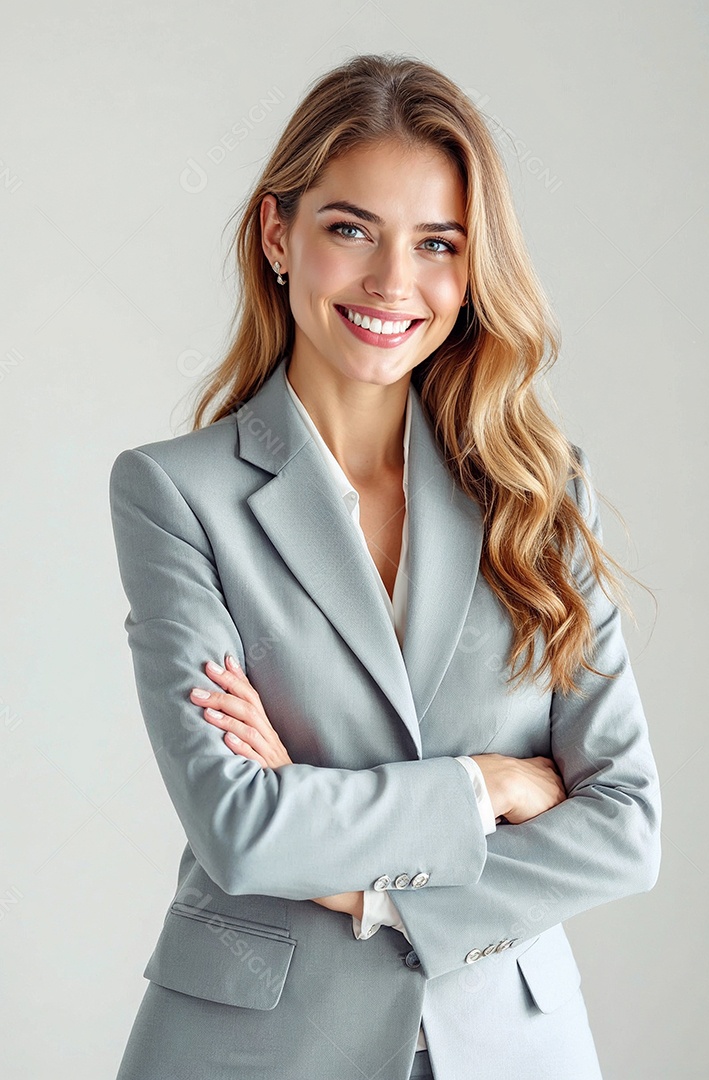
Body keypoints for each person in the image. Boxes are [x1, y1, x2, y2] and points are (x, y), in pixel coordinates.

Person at [109, 53, 661, 1080]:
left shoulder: (538, 492)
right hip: (255, 1051)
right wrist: (484, 786)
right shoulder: (175, 494)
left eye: (437, 243)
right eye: (351, 229)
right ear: (278, 234)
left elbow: (624, 826)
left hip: (513, 1047)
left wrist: (365, 885)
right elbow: (240, 827)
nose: (392, 283)